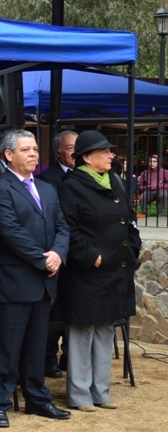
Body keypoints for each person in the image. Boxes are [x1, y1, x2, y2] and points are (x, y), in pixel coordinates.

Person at [0, 129, 71, 429]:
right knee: (6, 348)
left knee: (36, 346)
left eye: (35, 149)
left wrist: (58, 253)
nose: (34, 154)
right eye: (26, 150)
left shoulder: (46, 188)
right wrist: (42, 258)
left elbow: (62, 225)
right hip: (14, 281)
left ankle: (37, 398)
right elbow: (10, 232)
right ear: (8, 155)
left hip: (44, 281)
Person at [58, 131, 140, 412]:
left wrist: (133, 249)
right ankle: (80, 394)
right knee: (83, 332)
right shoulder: (72, 186)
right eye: (104, 152)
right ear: (87, 157)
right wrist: (92, 256)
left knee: (106, 329)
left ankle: (101, 391)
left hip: (116, 269)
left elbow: (128, 219)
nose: (111, 155)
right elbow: (68, 229)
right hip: (87, 273)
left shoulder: (114, 180)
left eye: (110, 151)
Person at [36, 130, 78, 379]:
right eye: (71, 148)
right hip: (54, 255)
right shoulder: (46, 179)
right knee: (50, 310)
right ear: (58, 151)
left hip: (78, 259)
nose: (76, 152)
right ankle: (48, 358)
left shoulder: (87, 177)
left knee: (72, 310)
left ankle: (69, 357)